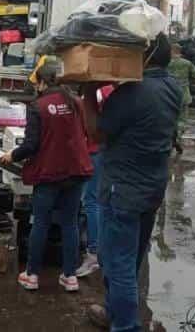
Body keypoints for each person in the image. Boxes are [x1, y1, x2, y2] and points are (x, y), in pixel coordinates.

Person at [82, 32, 182, 331]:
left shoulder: (132, 94)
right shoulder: (172, 88)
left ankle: (125, 325)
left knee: (118, 264)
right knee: (132, 257)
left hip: (123, 190)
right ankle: (115, 311)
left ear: (147, 56)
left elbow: (96, 133)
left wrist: (89, 92)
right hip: (152, 187)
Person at [0, 61, 93, 292]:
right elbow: (84, 133)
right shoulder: (77, 103)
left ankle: (32, 275)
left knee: (40, 222)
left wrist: (12, 155)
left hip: (49, 172)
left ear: (42, 82)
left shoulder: (38, 106)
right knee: (70, 223)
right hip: (75, 172)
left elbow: (31, 145)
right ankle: (70, 277)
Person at [76, 84, 115, 278]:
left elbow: (85, 127)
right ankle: (100, 247)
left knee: (91, 202)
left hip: (93, 152)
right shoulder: (112, 90)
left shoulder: (94, 93)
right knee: (102, 200)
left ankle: (93, 253)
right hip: (107, 152)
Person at [167, 43, 195, 154]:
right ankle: (177, 139)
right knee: (182, 120)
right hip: (183, 96)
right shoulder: (187, 63)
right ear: (180, 52)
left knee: (168, 118)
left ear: (171, 51)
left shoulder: (166, 63)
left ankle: (168, 139)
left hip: (168, 95)